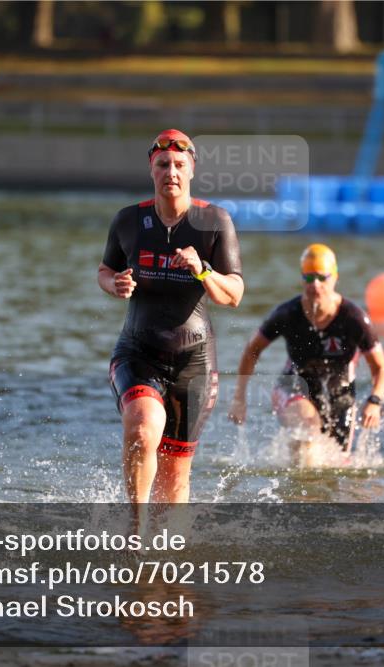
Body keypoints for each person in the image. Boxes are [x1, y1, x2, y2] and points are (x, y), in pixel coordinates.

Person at [98, 129, 244, 503]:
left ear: (192, 170)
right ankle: (135, 536)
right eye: (163, 165)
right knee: (144, 428)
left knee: (174, 479)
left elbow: (235, 295)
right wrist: (114, 283)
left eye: (180, 164)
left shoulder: (214, 221)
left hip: (194, 361)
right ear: (152, 170)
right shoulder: (128, 221)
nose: (171, 172)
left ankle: (165, 551)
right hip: (138, 351)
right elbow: (104, 270)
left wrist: (203, 270)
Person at [228, 244, 384, 455]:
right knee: (308, 431)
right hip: (293, 387)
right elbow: (252, 350)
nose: (315, 285)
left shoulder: (354, 319)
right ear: (301, 279)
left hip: (340, 395)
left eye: (322, 278)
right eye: (308, 278)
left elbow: (381, 369)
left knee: (338, 466)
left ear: (335, 278)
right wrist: (239, 398)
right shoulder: (287, 314)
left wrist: (375, 400)